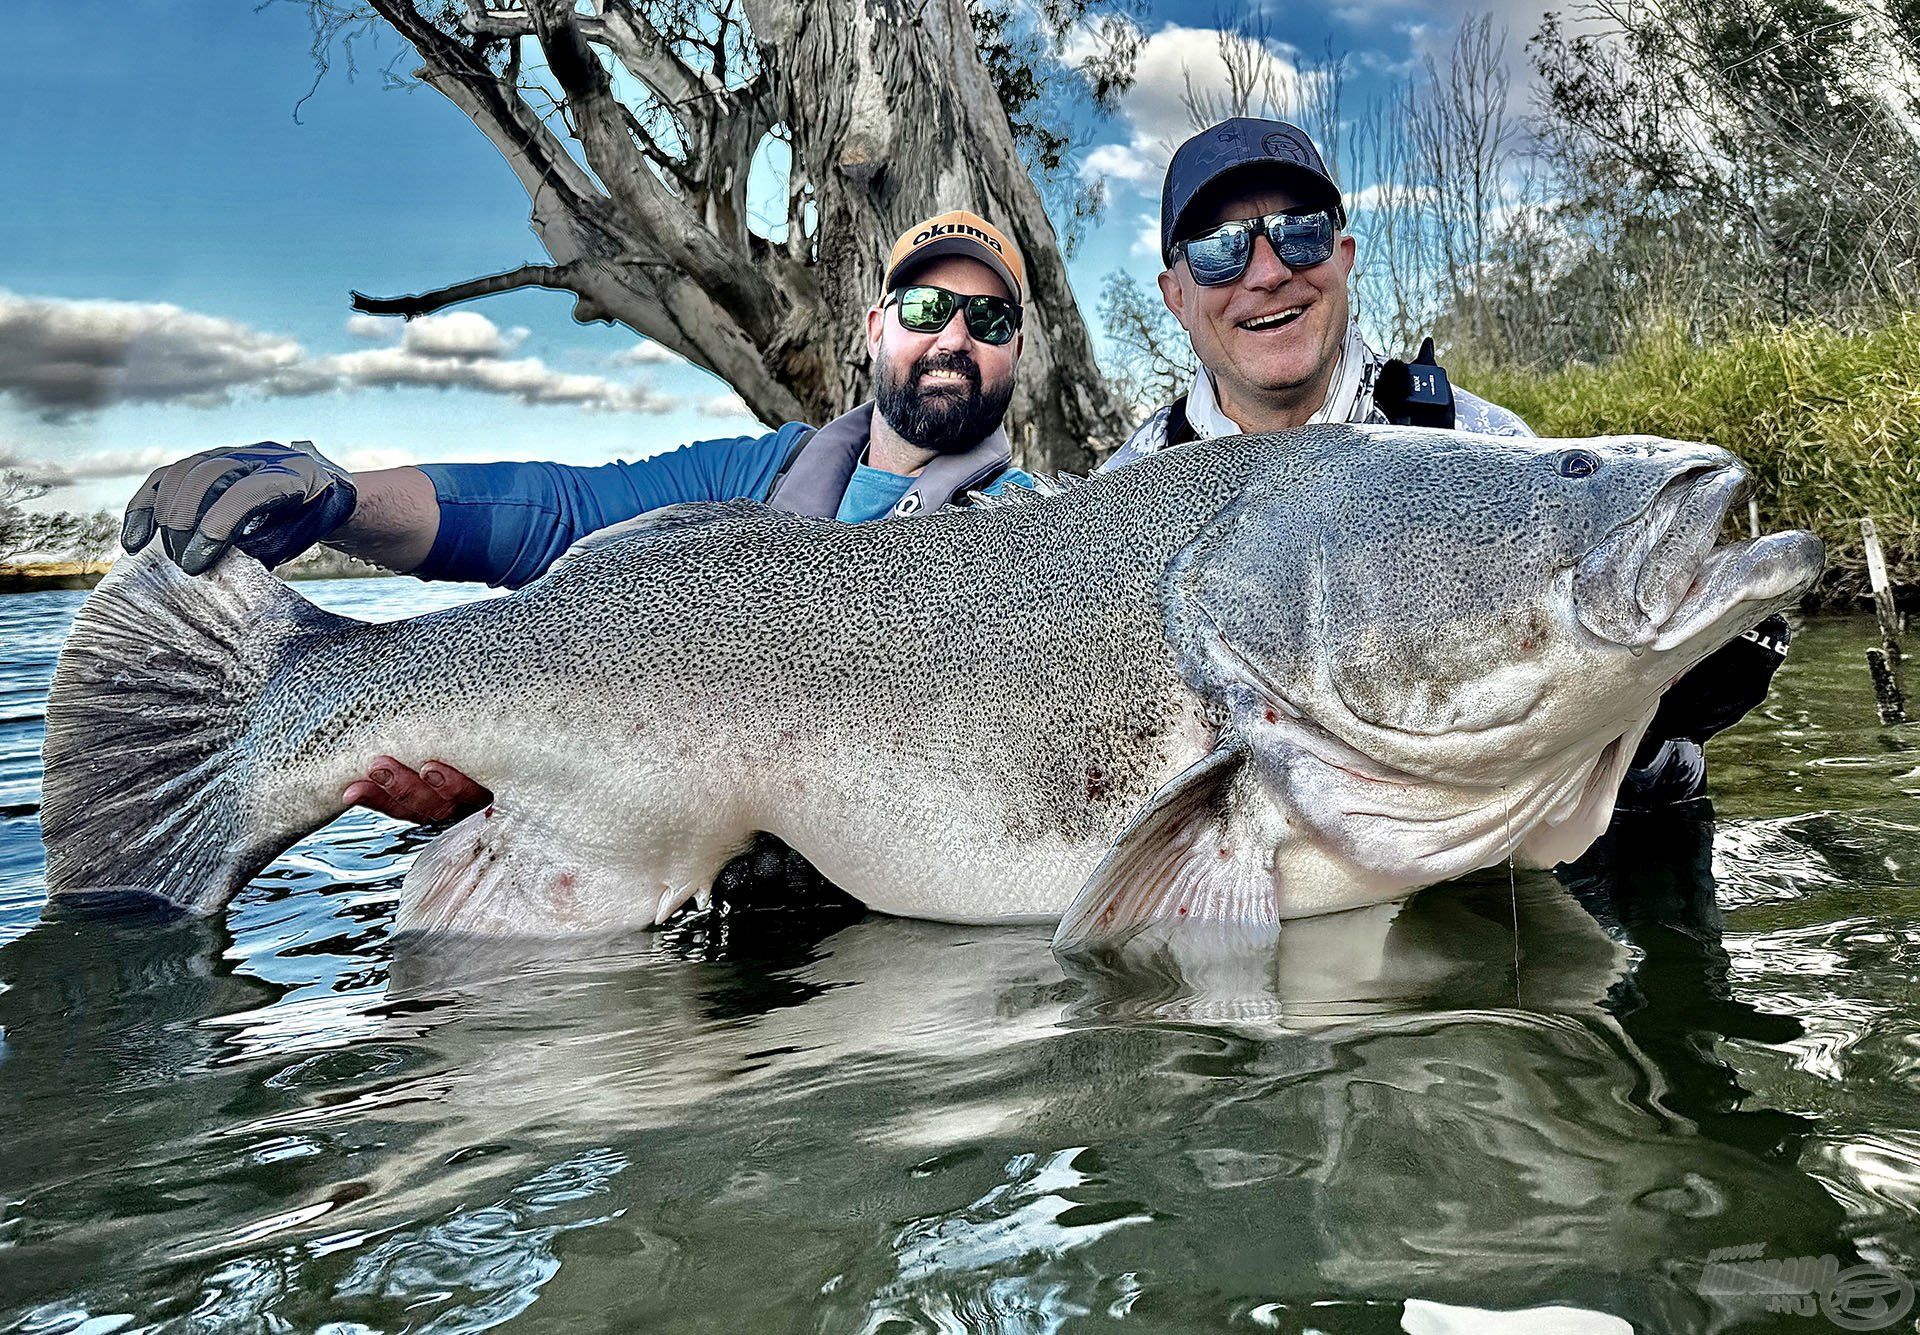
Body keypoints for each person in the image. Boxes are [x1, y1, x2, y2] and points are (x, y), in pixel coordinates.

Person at [121, 209, 1035, 824]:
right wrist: (344, 498)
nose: (954, 338)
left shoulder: (1032, 542)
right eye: (926, 308)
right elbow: (552, 511)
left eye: (988, 320)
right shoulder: (754, 474)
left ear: (1017, 351)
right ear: (876, 326)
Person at [1117, 117, 1790, 808]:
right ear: (1175, 294)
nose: (1268, 272)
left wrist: (1648, 732)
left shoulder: (1489, 443)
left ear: (1343, 255)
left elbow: (1608, 772)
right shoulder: (1120, 500)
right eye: (1221, 250)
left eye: (1301, 232)